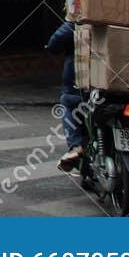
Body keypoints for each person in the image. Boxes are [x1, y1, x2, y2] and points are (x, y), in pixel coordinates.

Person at [46, 19, 85, 171]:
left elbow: (54, 43)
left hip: (83, 88)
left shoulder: (79, 21)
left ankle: (76, 146)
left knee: (68, 102)